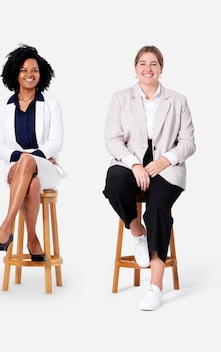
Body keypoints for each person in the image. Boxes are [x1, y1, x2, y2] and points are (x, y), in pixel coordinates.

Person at [103, 45, 196, 311]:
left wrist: (164, 160)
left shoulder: (178, 100)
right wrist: (134, 164)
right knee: (115, 183)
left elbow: (189, 142)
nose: (148, 68)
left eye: (153, 64)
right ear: (135, 69)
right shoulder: (121, 98)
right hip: (130, 163)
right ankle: (137, 231)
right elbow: (112, 140)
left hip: (166, 168)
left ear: (161, 69)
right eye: (143, 63)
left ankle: (155, 287)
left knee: (157, 208)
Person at [0, 44, 66, 262]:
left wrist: (33, 158)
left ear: (41, 74)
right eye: (24, 70)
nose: (30, 75)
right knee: (31, 185)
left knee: (30, 165)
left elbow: (56, 142)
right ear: (15, 73)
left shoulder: (51, 103)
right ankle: (32, 239)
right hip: (15, 169)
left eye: (34, 70)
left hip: (46, 167)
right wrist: (22, 159)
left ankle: (7, 225)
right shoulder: (3, 106)